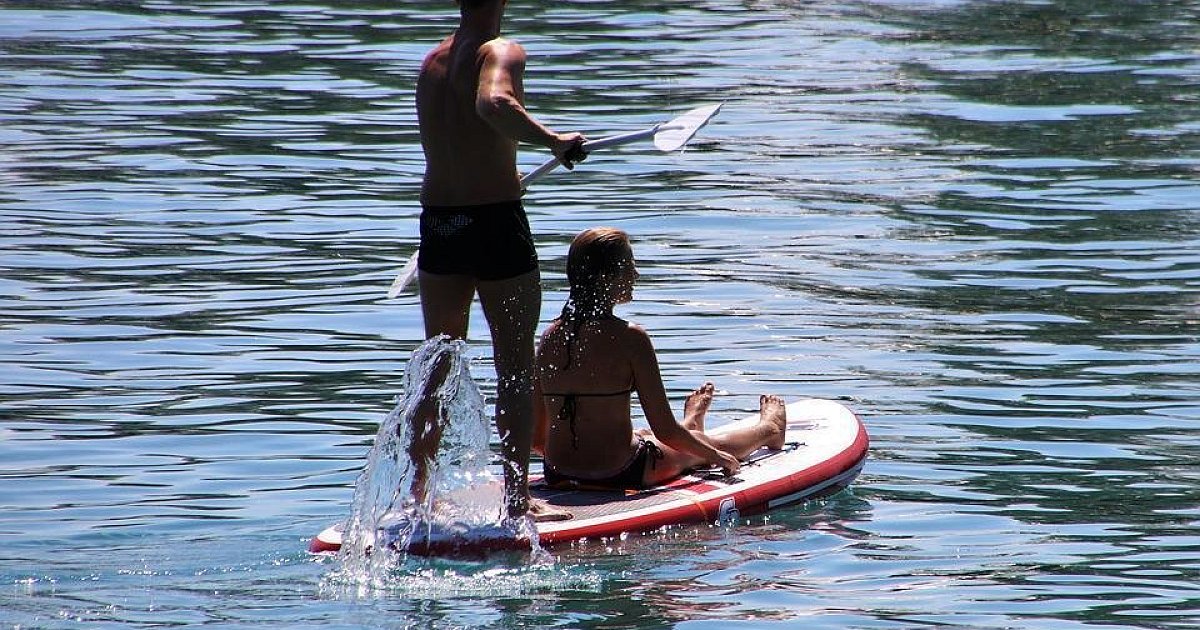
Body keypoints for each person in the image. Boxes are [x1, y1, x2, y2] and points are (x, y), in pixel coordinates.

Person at [411, 0, 586, 520]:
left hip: (439, 224)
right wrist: (554, 141)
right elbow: (492, 104)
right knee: (513, 364)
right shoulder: (501, 50)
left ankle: (418, 496)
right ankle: (516, 501)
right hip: (493, 223)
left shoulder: (431, 62)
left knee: (437, 365)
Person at [532, 228, 788, 490]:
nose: (636, 274)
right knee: (705, 444)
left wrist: (578, 459)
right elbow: (665, 429)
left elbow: (535, 438)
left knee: (644, 434)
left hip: (557, 471)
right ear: (607, 277)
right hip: (623, 472)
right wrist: (715, 457)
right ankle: (770, 429)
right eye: (630, 266)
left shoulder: (549, 336)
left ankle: (689, 424)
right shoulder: (631, 338)